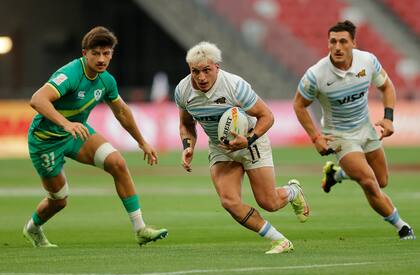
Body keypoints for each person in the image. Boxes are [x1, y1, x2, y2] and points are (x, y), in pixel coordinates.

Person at [23, 26, 168, 247]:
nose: (101, 59)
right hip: (46, 141)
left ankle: (140, 229)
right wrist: (66, 123)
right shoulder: (70, 73)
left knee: (117, 163)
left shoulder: (106, 80)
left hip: (76, 133)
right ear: (85, 53)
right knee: (59, 200)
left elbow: (121, 111)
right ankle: (33, 228)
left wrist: (142, 142)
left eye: (106, 53)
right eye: (96, 53)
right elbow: (37, 99)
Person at [175, 41, 310, 254]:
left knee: (269, 202)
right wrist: (187, 145)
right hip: (220, 147)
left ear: (217, 67)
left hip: (250, 142)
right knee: (229, 202)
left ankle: (293, 191)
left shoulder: (234, 86)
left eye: (206, 70)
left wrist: (248, 139)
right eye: (195, 71)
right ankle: (280, 240)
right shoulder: (183, 91)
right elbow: (186, 124)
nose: (201, 77)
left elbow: (267, 116)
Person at [293, 20, 415, 240]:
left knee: (382, 180)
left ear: (353, 43)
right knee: (368, 182)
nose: (337, 47)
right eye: (333, 42)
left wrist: (388, 118)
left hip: (366, 128)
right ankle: (402, 227)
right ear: (328, 44)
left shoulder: (367, 61)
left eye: (343, 41)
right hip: (339, 136)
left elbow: (387, 86)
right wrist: (315, 137)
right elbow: (299, 105)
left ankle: (336, 174)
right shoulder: (316, 74)